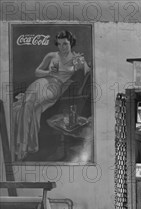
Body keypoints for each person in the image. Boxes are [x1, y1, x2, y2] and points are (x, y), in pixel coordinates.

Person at [12, 30, 90, 161]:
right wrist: (48, 71)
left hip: (54, 88)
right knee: (28, 105)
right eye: (59, 44)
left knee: (28, 106)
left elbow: (87, 71)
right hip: (41, 82)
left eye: (65, 44)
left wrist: (82, 61)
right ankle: (26, 145)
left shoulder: (76, 59)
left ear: (71, 43)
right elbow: (37, 72)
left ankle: (24, 145)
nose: (62, 47)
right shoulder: (52, 55)